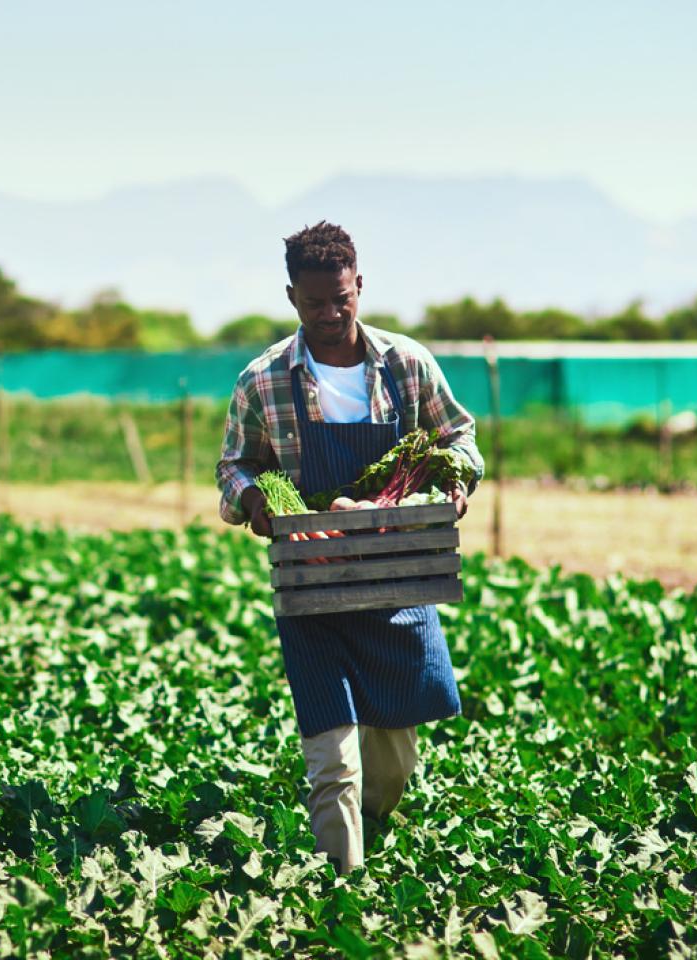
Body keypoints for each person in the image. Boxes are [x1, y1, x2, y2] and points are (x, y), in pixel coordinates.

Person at [215, 220, 483, 873]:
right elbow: (235, 466)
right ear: (291, 298)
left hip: (397, 580)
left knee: (392, 764)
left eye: (342, 299)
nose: (331, 314)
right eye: (315, 304)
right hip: (313, 584)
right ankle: (344, 883)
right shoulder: (264, 379)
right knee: (332, 758)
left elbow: (460, 440)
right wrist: (255, 501)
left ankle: (375, 833)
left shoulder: (407, 364)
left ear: (359, 285)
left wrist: (454, 485)